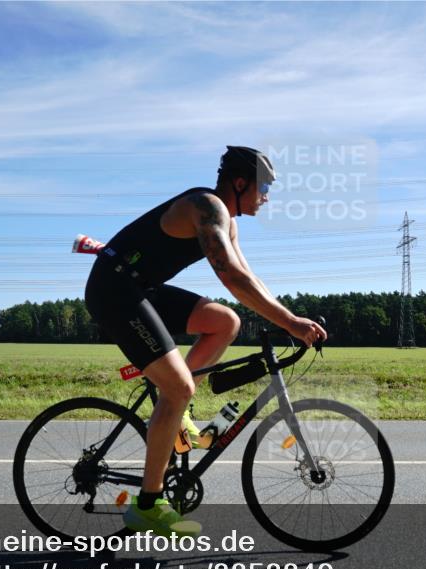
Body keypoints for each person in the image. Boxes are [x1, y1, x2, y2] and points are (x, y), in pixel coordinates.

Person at [84, 146, 328, 538]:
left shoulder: (228, 222)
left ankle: (174, 412)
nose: (266, 195)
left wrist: (289, 319)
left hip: (140, 288)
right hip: (114, 290)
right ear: (239, 182)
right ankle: (148, 505)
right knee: (178, 386)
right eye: (263, 186)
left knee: (225, 321)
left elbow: (251, 279)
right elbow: (231, 276)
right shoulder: (206, 207)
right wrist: (291, 323)